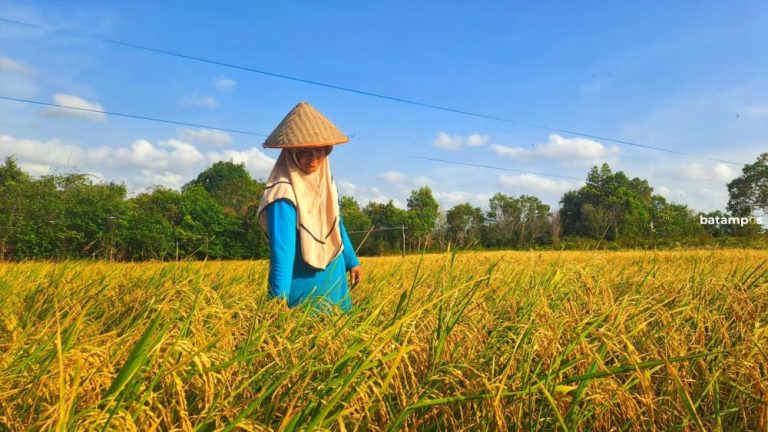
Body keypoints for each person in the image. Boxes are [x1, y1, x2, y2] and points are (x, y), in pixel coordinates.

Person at [257, 102, 362, 312]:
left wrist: (351, 260)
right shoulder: (283, 194)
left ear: (327, 151)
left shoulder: (325, 183)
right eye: (304, 151)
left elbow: (336, 223)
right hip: (304, 292)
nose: (313, 158)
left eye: (319, 150)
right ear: (291, 152)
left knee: (341, 337)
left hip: (335, 280)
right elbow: (282, 252)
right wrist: (277, 301)